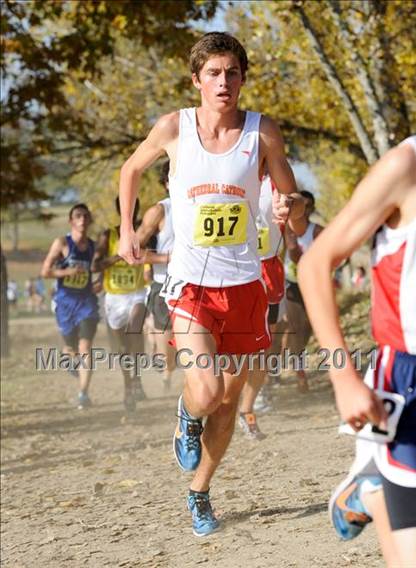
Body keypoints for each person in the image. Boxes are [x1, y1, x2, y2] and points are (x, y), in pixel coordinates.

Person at [118, 32, 304, 536]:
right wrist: (124, 232)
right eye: (214, 73)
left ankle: (200, 491)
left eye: (233, 73)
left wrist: (287, 206)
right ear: (197, 79)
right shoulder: (173, 128)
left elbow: (290, 196)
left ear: (243, 78)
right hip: (190, 286)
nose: (225, 82)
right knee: (206, 389)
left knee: (229, 397)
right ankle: (185, 413)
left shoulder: (263, 132)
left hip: (245, 284)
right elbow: (131, 170)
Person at [298, 135, 416, 566]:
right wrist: (343, 378)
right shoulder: (406, 165)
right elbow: (315, 264)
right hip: (410, 380)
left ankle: (372, 489)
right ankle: (373, 491)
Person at [92, 197, 153, 412]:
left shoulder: (144, 233)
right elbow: (95, 266)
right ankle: (130, 384)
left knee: (135, 330)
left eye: (136, 206)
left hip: (137, 293)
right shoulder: (107, 235)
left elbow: (153, 256)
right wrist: (119, 257)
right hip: (114, 297)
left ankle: (136, 380)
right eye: (128, 206)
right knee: (122, 348)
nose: (132, 210)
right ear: (121, 209)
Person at [238, 174, 286, 439]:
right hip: (232, 269)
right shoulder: (227, 169)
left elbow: (293, 217)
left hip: (268, 271)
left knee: (263, 348)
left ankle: (247, 409)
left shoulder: (277, 181)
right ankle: (214, 402)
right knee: (231, 346)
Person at [41, 203, 99, 409]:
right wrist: (67, 273)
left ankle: (83, 393)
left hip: (86, 303)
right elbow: (45, 272)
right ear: (71, 221)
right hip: (65, 303)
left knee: (86, 348)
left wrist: (97, 284)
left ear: (89, 221)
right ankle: (70, 357)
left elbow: (95, 272)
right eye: (78, 216)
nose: (82, 219)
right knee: (71, 349)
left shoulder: (93, 247)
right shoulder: (62, 244)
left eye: (85, 216)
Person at [136, 161, 176, 390]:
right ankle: (167, 374)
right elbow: (131, 252)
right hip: (164, 286)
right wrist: (166, 258)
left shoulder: (202, 207)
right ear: (167, 183)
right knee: (167, 343)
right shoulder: (160, 211)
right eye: (175, 177)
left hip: (197, 284)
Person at [282, 190, 323, 392]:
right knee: (296, 325)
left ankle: (290, 351)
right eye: (300, 206)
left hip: (313, 284)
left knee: (307, 327)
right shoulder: (285, 229)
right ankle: (300, 374)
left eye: (307, 207)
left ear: (312, 209)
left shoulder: (318, 232)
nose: (303, 211)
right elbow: (288, 255)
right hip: (291, 283)